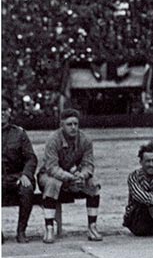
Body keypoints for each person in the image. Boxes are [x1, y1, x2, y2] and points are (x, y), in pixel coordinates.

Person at [37, 108, 102, 243]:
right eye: (69, 124)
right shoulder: (53, 139)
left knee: (93, 183)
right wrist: (70, 177)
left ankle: (92, 226)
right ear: (62, 125)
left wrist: (82, 175)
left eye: (75, 124)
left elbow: (88, 164)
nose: (73, 127)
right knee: (52, 183)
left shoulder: (85, 140)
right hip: (50, 175)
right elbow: (52, 167)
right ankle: (49, 228)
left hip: (74, 175)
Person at [2, 96, 37, 243]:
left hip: (16, 176)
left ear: (10, 112)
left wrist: (26, 175)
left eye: (4, 110)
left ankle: (21, 231)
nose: (1, 113)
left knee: (27, 189)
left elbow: (31, 158)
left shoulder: (19, 133)